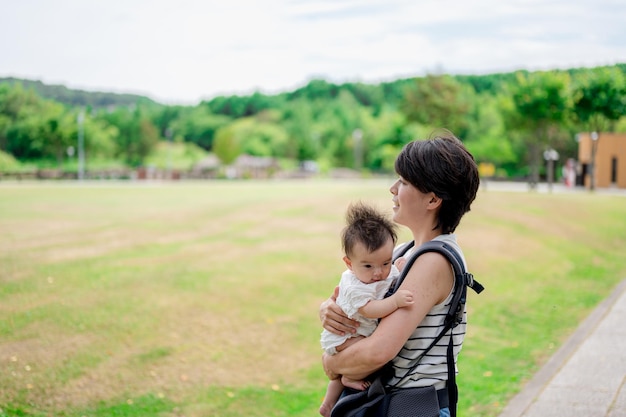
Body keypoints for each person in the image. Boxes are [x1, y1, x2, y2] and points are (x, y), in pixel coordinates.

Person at [319, 131, 480, 417]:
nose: (393, 189)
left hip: (413, 406)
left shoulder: (433, 260)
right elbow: (354, 297)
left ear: (432, 199)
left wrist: (332, 364)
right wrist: (328, 310)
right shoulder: (404, 251)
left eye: (404, 181)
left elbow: (378, 352)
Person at [319, 202, 414, 417]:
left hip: (357, 331)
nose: (379, 272)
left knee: (341, 372)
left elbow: (389, 279)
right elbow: (370, 310)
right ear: (349, 263)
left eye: (386, 263)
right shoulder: (355, 286)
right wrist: (396, 302)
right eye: (369, 266)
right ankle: (349, 379)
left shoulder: (379, 268)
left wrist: (396, 269)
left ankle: (328, 403)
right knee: (363, 356)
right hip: (346, 335)